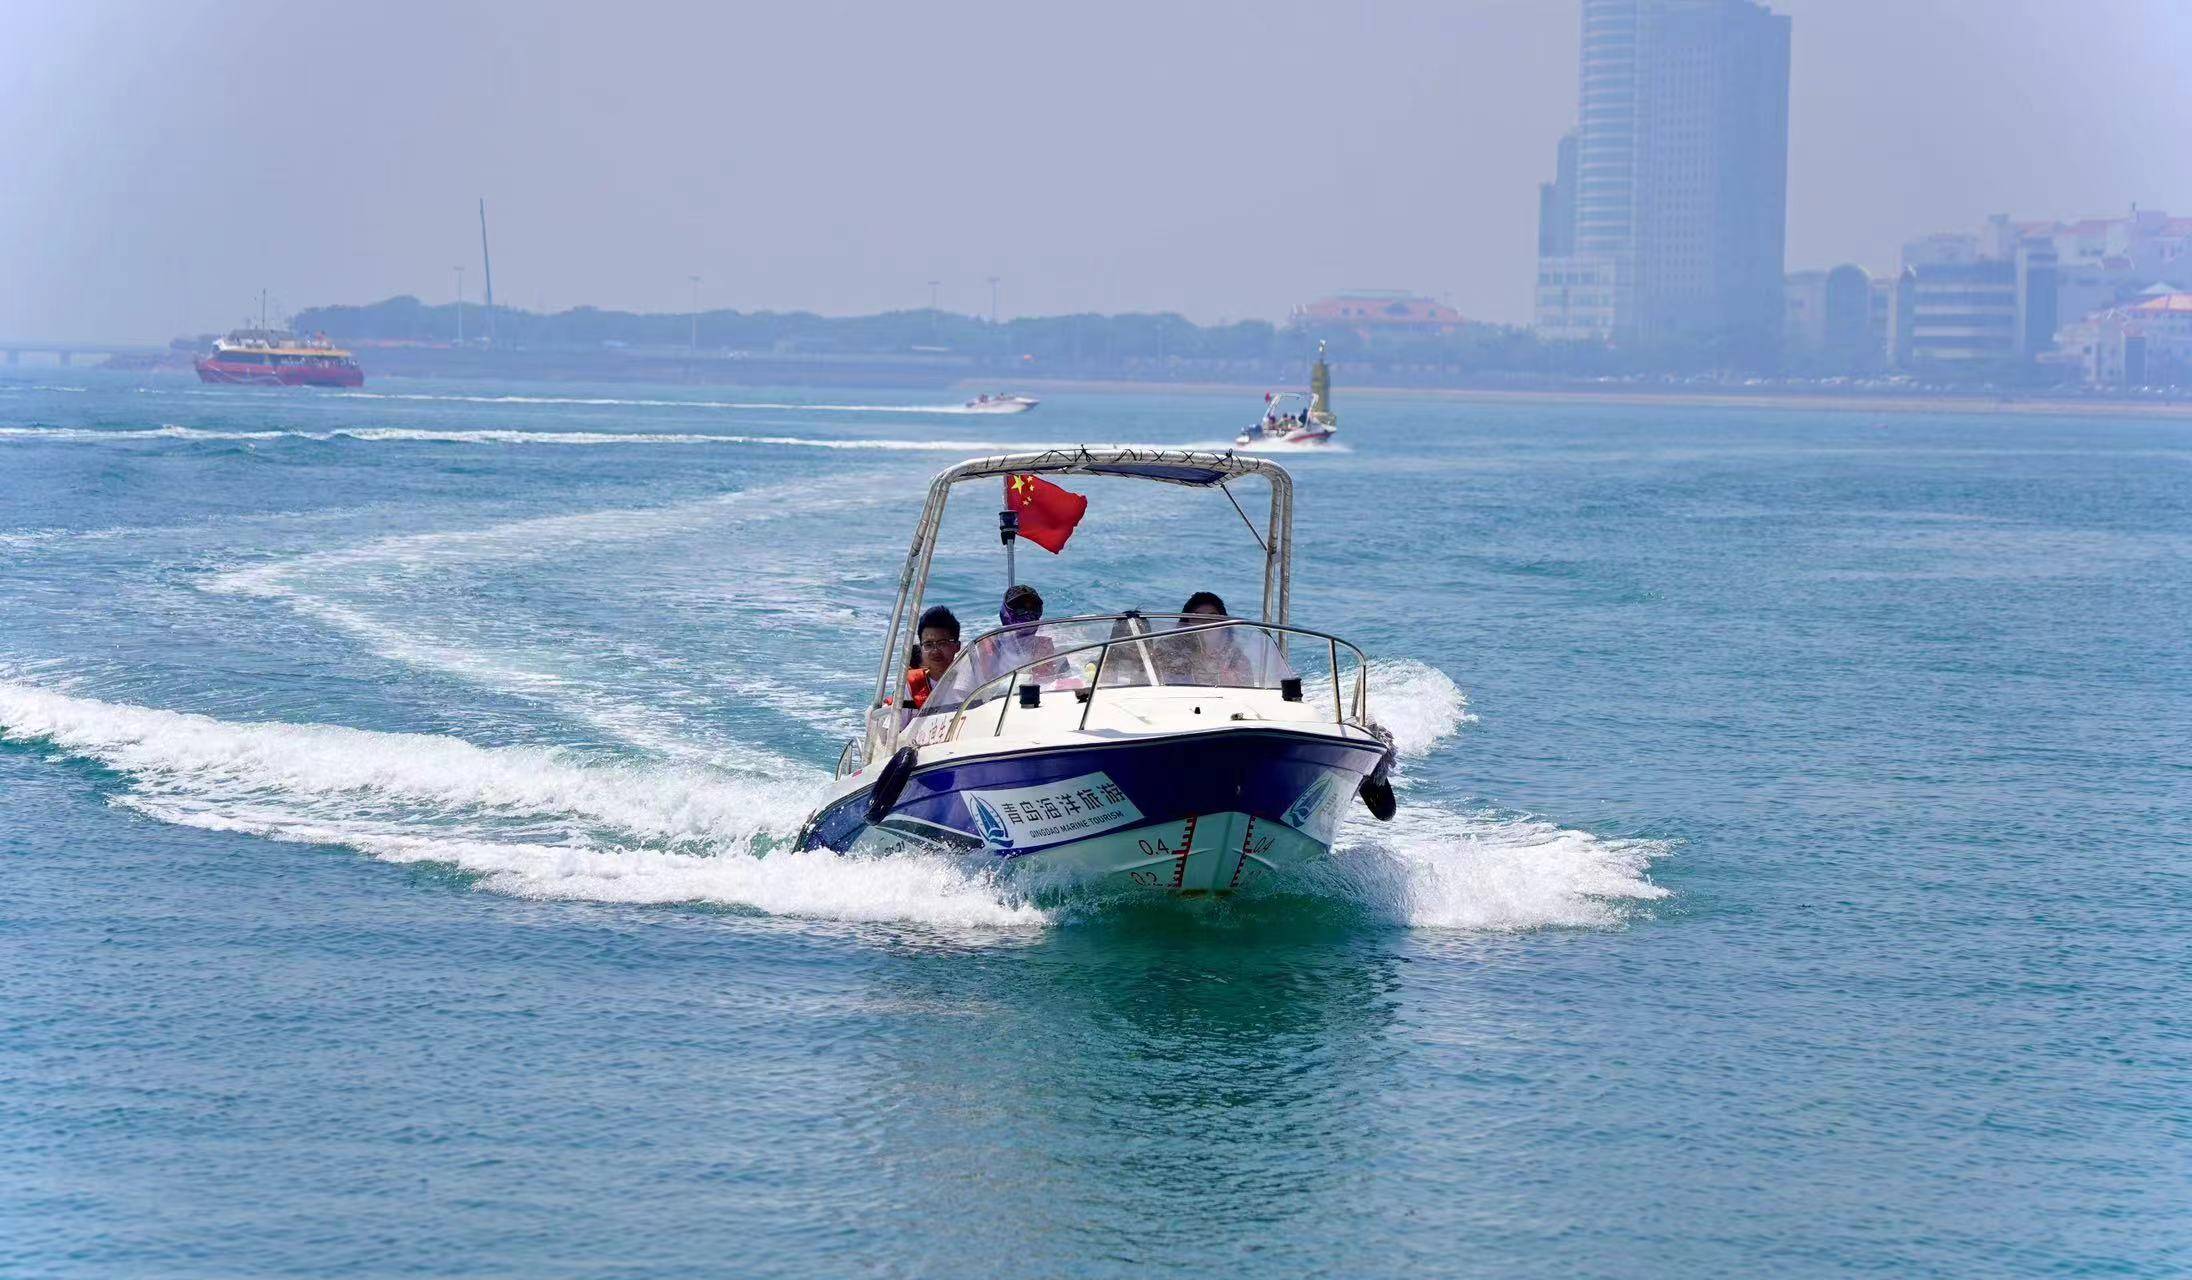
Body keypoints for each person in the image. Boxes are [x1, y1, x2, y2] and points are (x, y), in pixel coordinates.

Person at [903, 605, 960, 711]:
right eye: (928, 644)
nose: (935, 651)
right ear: (921, 649)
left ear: (957, 646)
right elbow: (897, 727)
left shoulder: (972, 681)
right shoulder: (911, 686)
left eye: (942, 643)